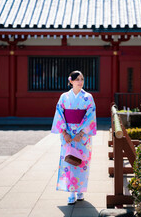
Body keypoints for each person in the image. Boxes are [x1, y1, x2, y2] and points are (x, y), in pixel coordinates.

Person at [51, 70, 97, 205]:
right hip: (68, 133)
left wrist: (81, 133)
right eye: (77, 79)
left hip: (83, 135)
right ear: (71, 81)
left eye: (82, 79)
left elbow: (90, 116)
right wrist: (65, 133)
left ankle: (80, 190)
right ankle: (71, 192)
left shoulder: (88, 97)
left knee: (82, 162)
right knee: (69, 161)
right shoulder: (64, 97)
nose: (80, 82)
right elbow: (59, 114)